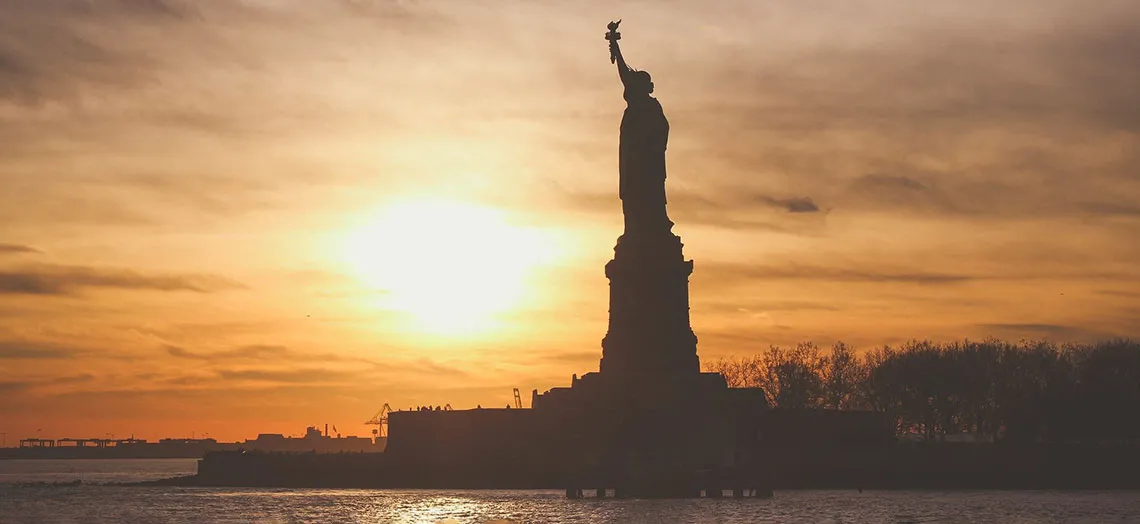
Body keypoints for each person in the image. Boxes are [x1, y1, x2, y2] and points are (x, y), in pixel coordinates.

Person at [609, 28, 672, 236]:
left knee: (651, 193)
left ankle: (655, 226)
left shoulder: (652, 107)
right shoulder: (637, 104)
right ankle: (636, 230)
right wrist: (616, 49)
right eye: (647, 82)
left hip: (650, 160)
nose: (651, 85)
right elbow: (624, 74)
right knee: (635, 194)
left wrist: (654, 146)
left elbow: (663, 129)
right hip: (634, 160)